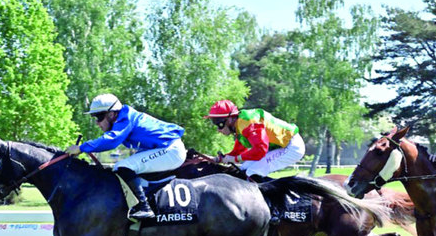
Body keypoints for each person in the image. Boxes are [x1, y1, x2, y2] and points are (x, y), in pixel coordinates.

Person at [66, 93, 186, 221]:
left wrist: (81, 148)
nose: (97, 122)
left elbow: (112, 140)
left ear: (111, 114)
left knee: (123, 166)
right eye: (94, 117)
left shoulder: (125, 119)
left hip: (171, 150)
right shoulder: (124, 117)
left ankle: (144, 207)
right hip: (166, 148)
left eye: (99, 117)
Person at [203, 100, 305, 179]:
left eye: (219, 124)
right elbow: (237, 152)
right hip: (279, 147)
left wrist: (234, 159)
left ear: (229, 119)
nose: (218, 130)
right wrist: (217, 159)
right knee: (242, 169)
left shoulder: (247, 123)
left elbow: (260, 150)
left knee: (252, 172)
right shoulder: (239, 126)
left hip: (292, 147)